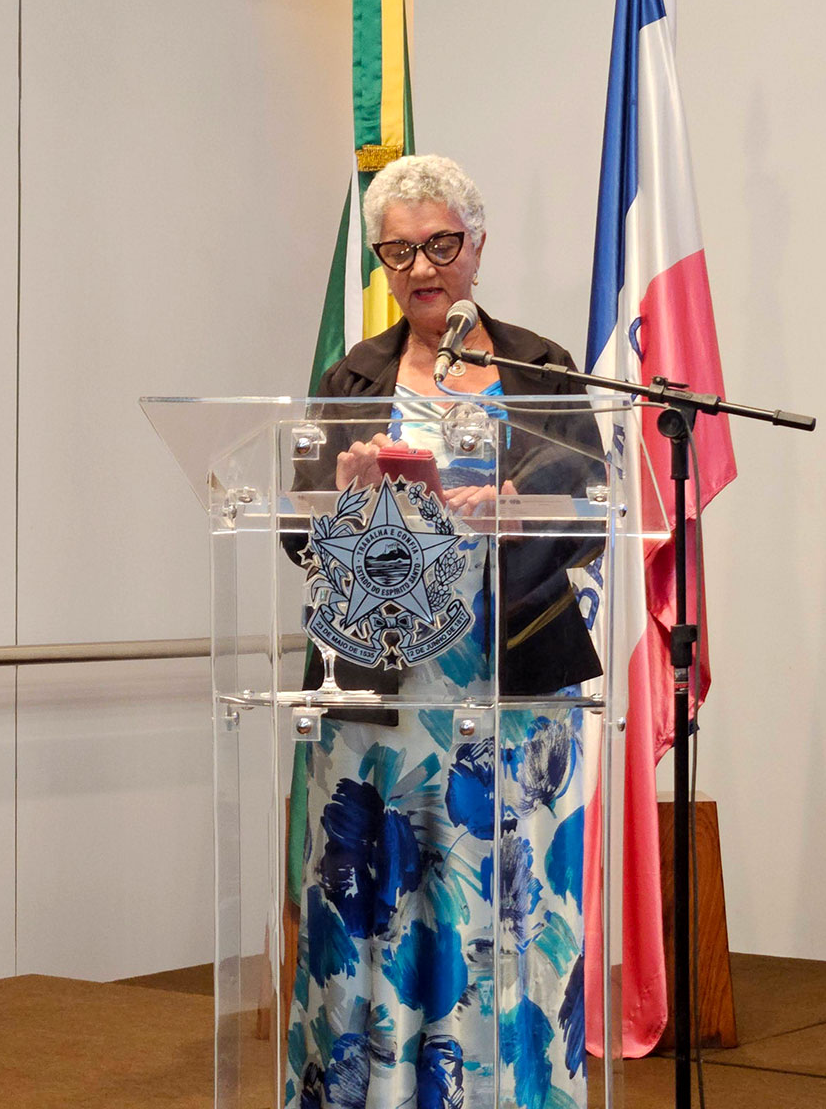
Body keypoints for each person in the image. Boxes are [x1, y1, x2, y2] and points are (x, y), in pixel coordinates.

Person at [286, 156, 600, 1109]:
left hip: (512, 681)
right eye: (398, 251)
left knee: (501, 903)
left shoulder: (540, 368)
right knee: (385, 897)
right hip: (383, 695)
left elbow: (590, 512)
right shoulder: (354, 375)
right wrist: (347, 501)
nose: (421, 267)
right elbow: (298, 533)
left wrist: (510, 506)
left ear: (478, 246)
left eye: (440, 244)